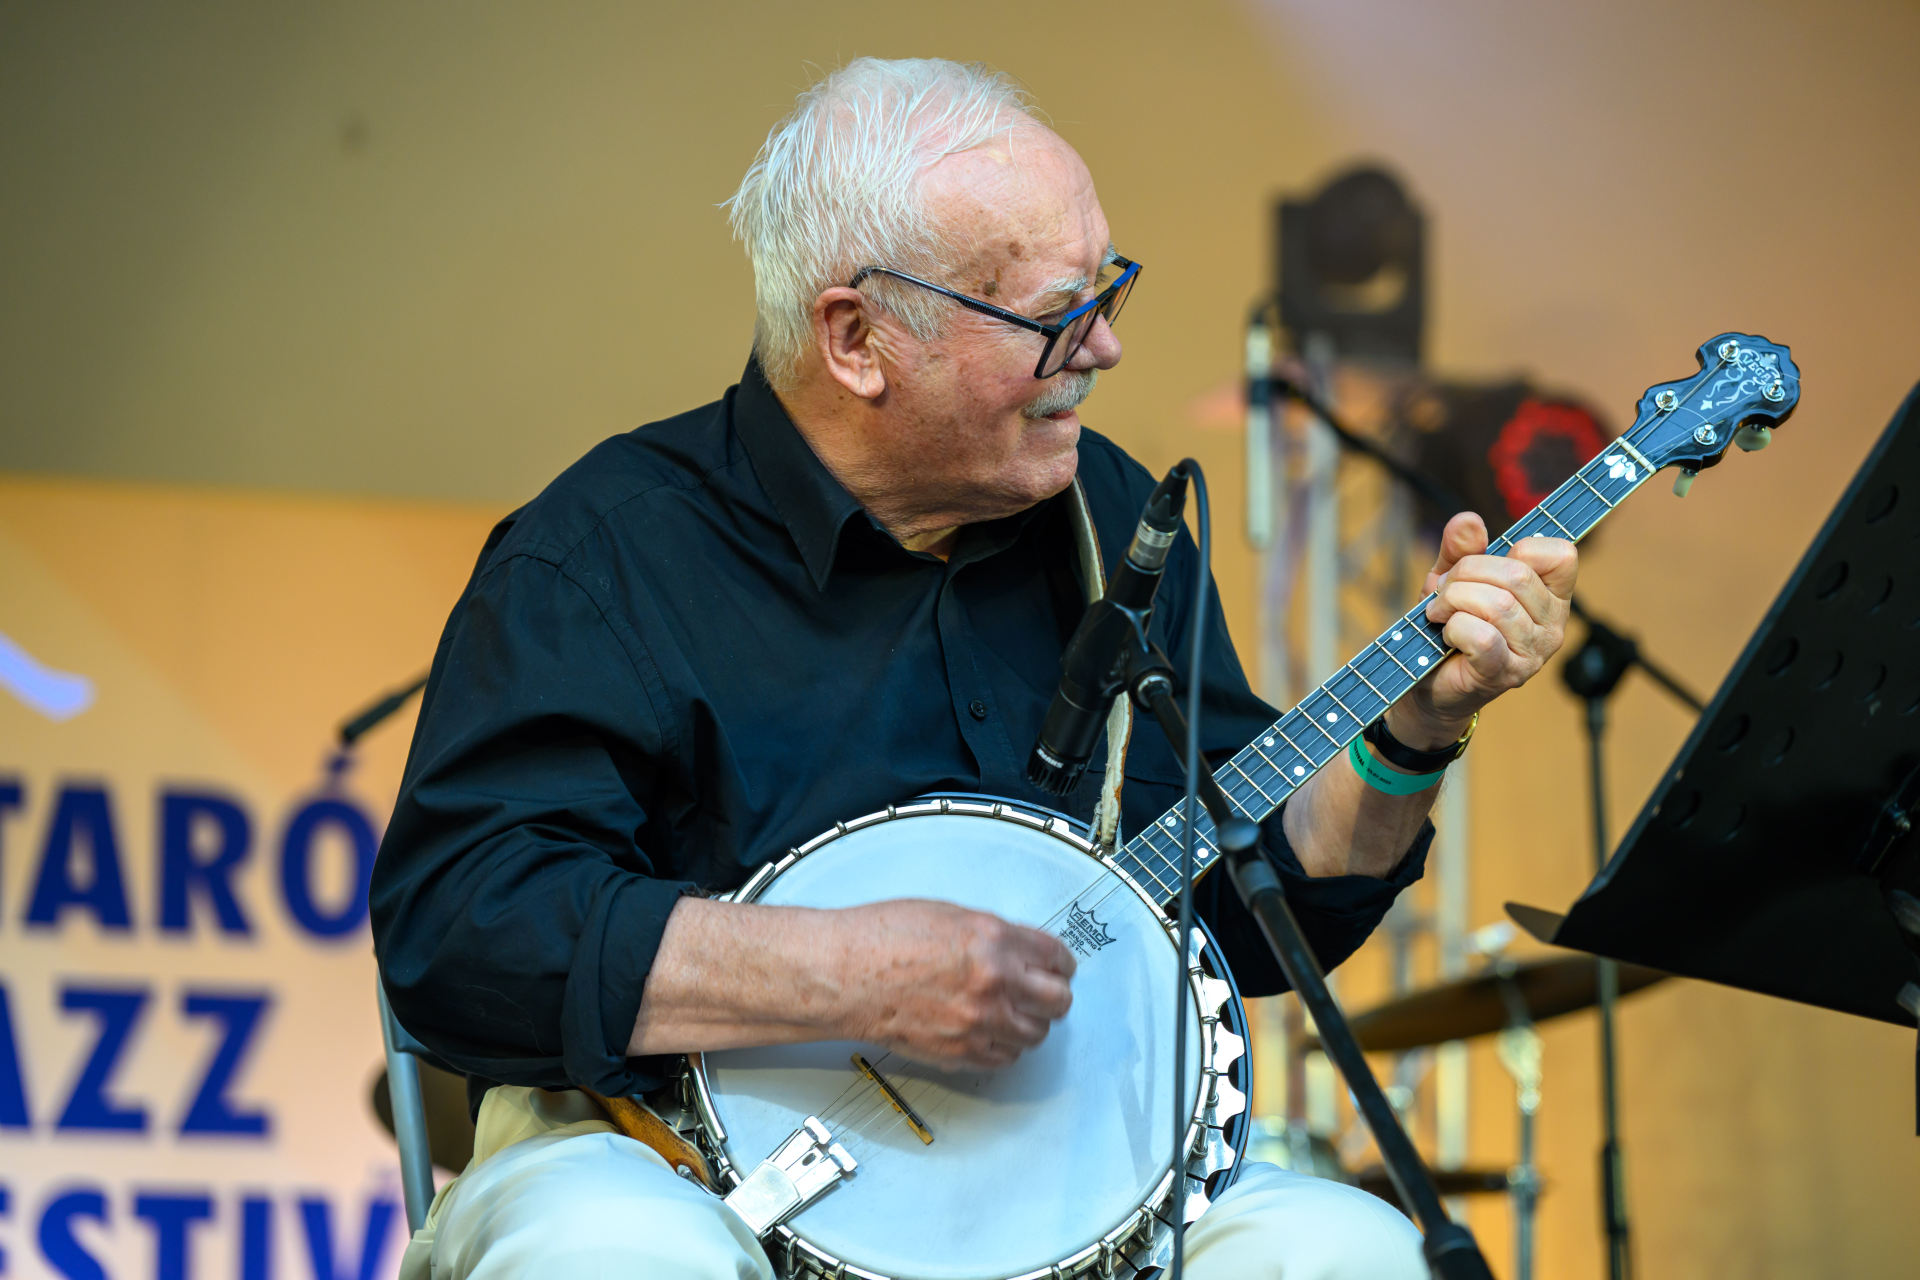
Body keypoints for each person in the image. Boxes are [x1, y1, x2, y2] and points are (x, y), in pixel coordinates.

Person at [371, 56, 1576, 1279]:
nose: (1106, 345)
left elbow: (1249, 916)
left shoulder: (1115, 522)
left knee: (1346, 1249)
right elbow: (460, 931)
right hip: (655, 1158)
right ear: (857, 338)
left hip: (1069, 1180)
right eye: (1058, 315)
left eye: (1107, 287)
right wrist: (843, 975)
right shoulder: (604, 553)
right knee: (615, 1256)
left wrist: (1415, 730)